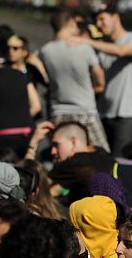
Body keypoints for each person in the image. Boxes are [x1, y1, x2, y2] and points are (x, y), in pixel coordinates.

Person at [70, 5, 132, 154]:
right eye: (96, 21)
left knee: (121, 161)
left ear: (116, 17)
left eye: (102, 19)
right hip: (104, 113)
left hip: (128, 114)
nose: (99, 24)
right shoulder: (101, 46)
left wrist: (87, 42)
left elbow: (121, 51)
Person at [40, 8, 110, 152]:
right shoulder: (84, 48)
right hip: (85, 111)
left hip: (57, 112)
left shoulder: (45, 51)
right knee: (102, 155)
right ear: (71, 22)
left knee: (63, 157)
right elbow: (100, 80)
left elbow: (45, 79)